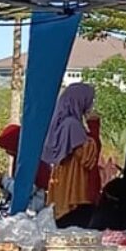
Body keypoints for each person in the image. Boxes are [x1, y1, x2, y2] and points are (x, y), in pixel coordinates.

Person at [43, 84, 102, 228]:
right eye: (90, 100)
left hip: (63, 192)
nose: (90, 104)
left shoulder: (63, 124)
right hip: (75, 193)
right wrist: (94, 126)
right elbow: (88, 157)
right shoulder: (72, 125)